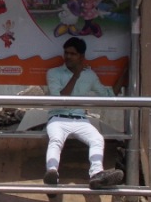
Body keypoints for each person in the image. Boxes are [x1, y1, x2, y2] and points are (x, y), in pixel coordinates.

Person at [44, 36, 123, 189]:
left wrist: (125, 71)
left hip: (80, 119)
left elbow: (108, 95)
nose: (68, 56)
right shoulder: (54, 73)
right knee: (56, 140)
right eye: (66, 53)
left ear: (82, 57)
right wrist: (76, 75)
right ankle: (52, 173)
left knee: (97, 139)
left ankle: (96, 175)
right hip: (58, 118)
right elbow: (61, 98)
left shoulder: (90, 75)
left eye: (72, 54)